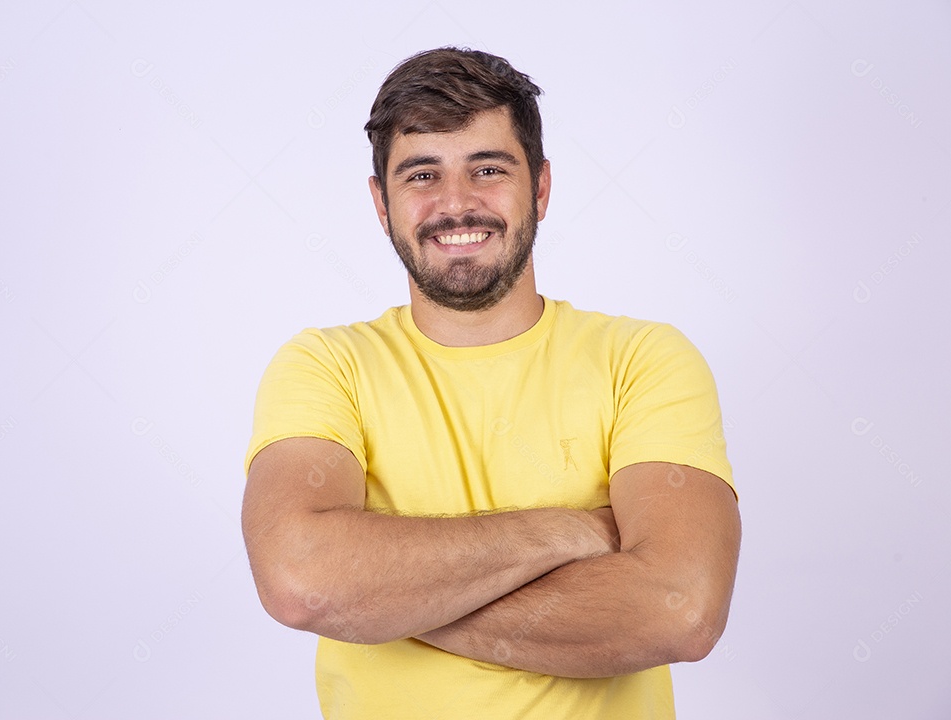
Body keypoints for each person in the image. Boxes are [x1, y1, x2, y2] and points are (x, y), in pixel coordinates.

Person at [241, 47, 741, 719]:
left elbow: (681, 611)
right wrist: (571, 533)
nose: (456, 203)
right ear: (381, 204)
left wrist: (382, 599)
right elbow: (302, 580)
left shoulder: (644, 359)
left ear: (540, 188)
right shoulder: (326, 366)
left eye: (488, 169)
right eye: (422, 174)